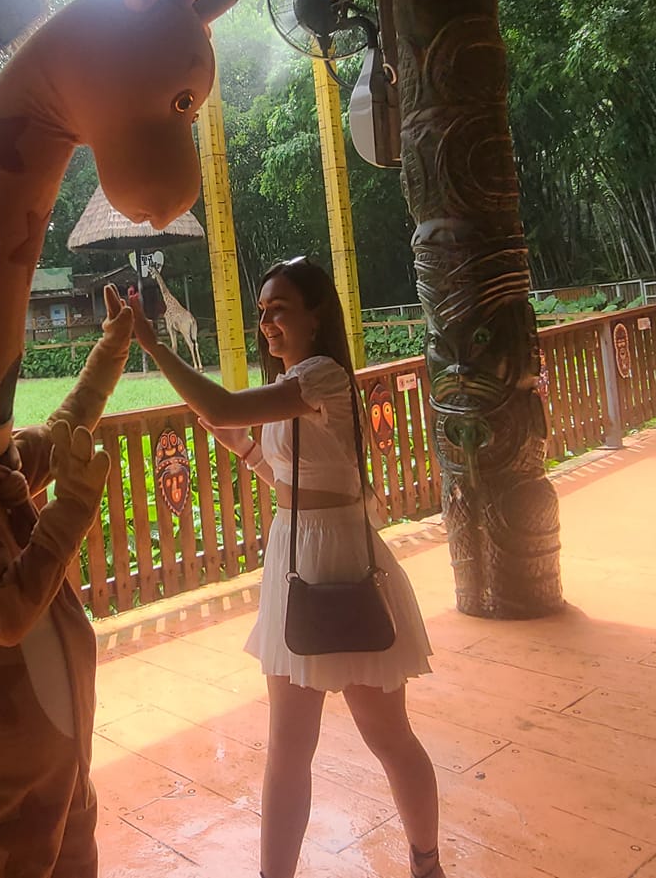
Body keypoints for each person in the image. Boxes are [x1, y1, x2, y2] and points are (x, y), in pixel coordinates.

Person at [128, 256, 443, 878]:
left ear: (316, 313)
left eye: (280, 309)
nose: (267, 322)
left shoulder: (322, 376)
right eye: (263, 312)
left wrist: (152, 344)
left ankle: (426, 861)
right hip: (297, 550)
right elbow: (287, 476)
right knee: (289, 749)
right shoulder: (299, 384)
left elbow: (219, 398)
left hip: (339, 556)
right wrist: (240, 443)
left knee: (387, 736)